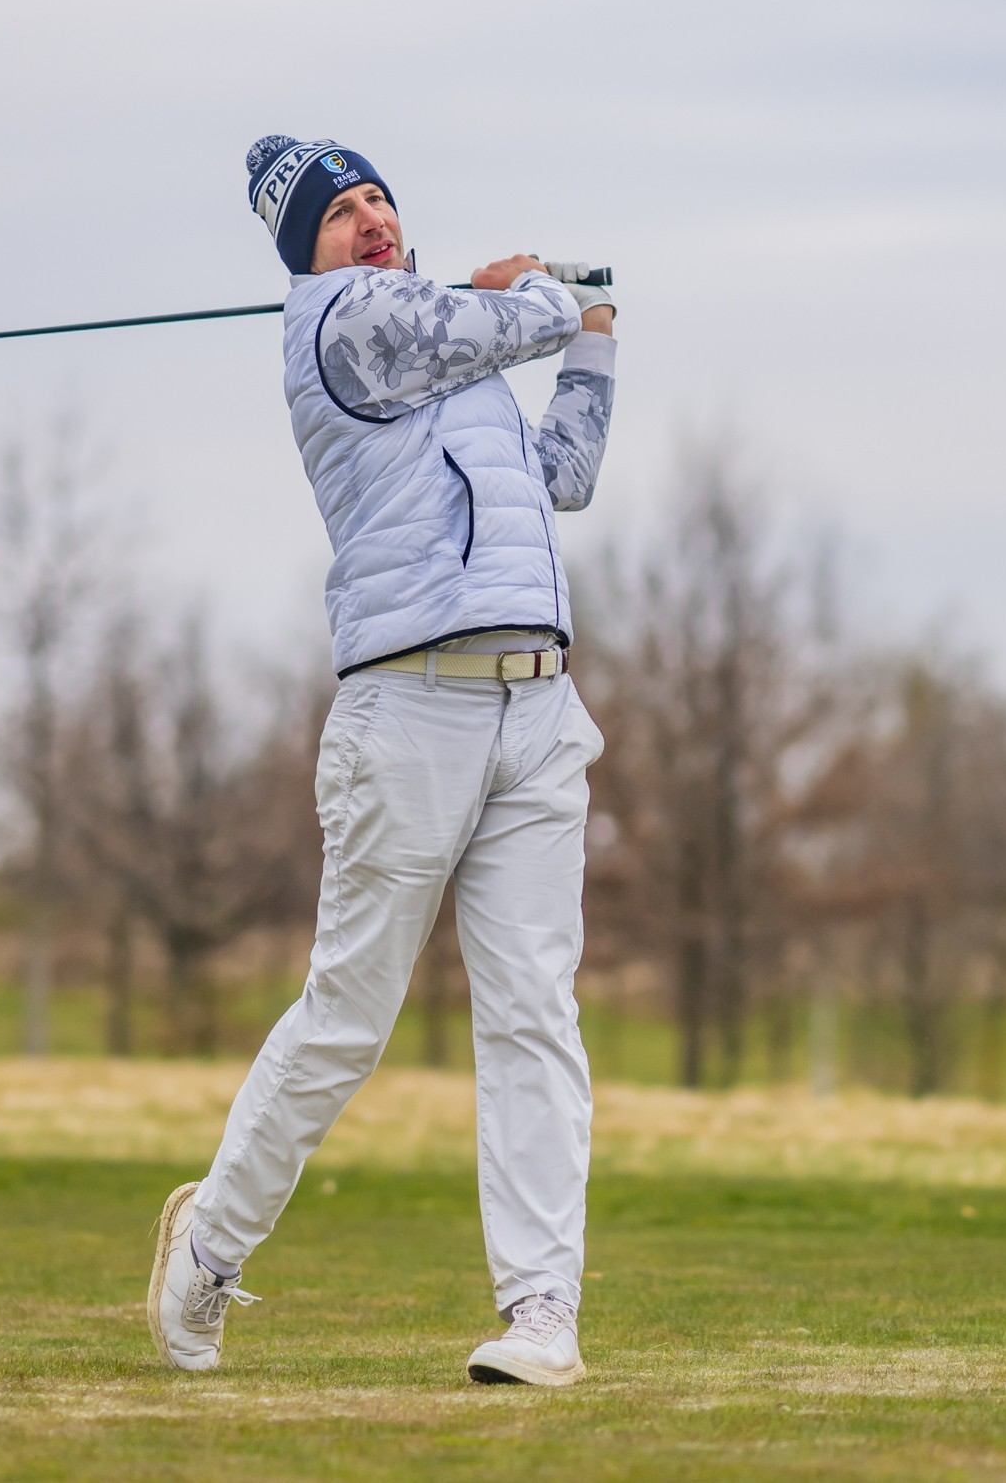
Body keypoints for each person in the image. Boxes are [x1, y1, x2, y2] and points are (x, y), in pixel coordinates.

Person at [147, 135, 618, 1387]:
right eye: (339, 211)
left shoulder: (454, 354)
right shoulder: (340, 326)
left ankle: (541, 1312)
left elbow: (564, 478)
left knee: (534, 1014)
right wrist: (540, 296)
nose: (369, 220)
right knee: (349, 1018)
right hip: (410, 712)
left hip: (537, 708)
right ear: (307, 256)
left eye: (379, 201)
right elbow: (495, 324)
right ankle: (210, 1247)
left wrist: (593, 340)